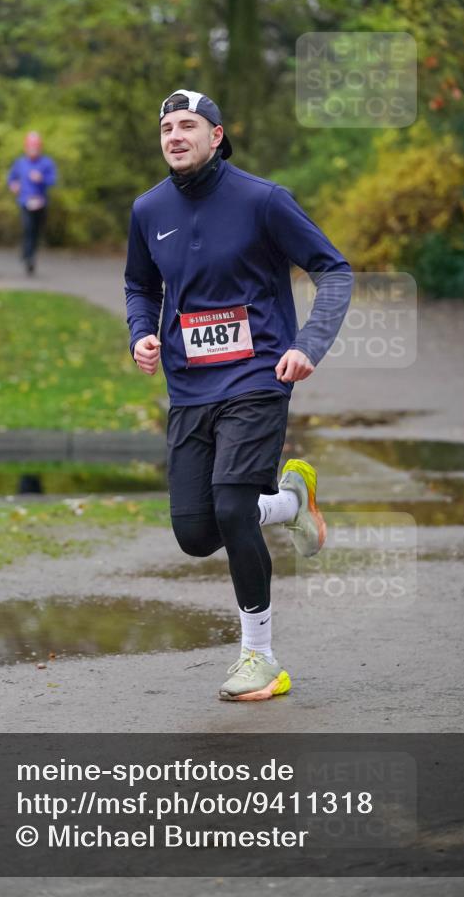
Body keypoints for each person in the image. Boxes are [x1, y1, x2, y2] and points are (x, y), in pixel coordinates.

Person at [124, 89, 353, 702]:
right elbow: (139, 285)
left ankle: (260, 657)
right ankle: (291, 499)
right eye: (167, 126)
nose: (175, 135)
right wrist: (142, 333)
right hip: (190, 385)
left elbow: (334, 269)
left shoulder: (263, 200)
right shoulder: (148, 210)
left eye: (189, 125)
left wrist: (309, 343)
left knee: (230, 506)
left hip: (258, 376)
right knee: (195, 532)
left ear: (216, 135)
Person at [7, 132, 57, 274]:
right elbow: (11, 178)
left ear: (40, 148)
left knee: (36, 232)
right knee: (27, 229)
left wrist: (41, 178)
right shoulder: (20, 163)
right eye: (31, 147)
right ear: (26, 148)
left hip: (41, 203)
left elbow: (53, 180)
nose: (33, 150)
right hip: (25, 202)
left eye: (36, 147)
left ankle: (30, 256)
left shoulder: (46, 163)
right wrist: (14, 185)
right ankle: (27, 256)